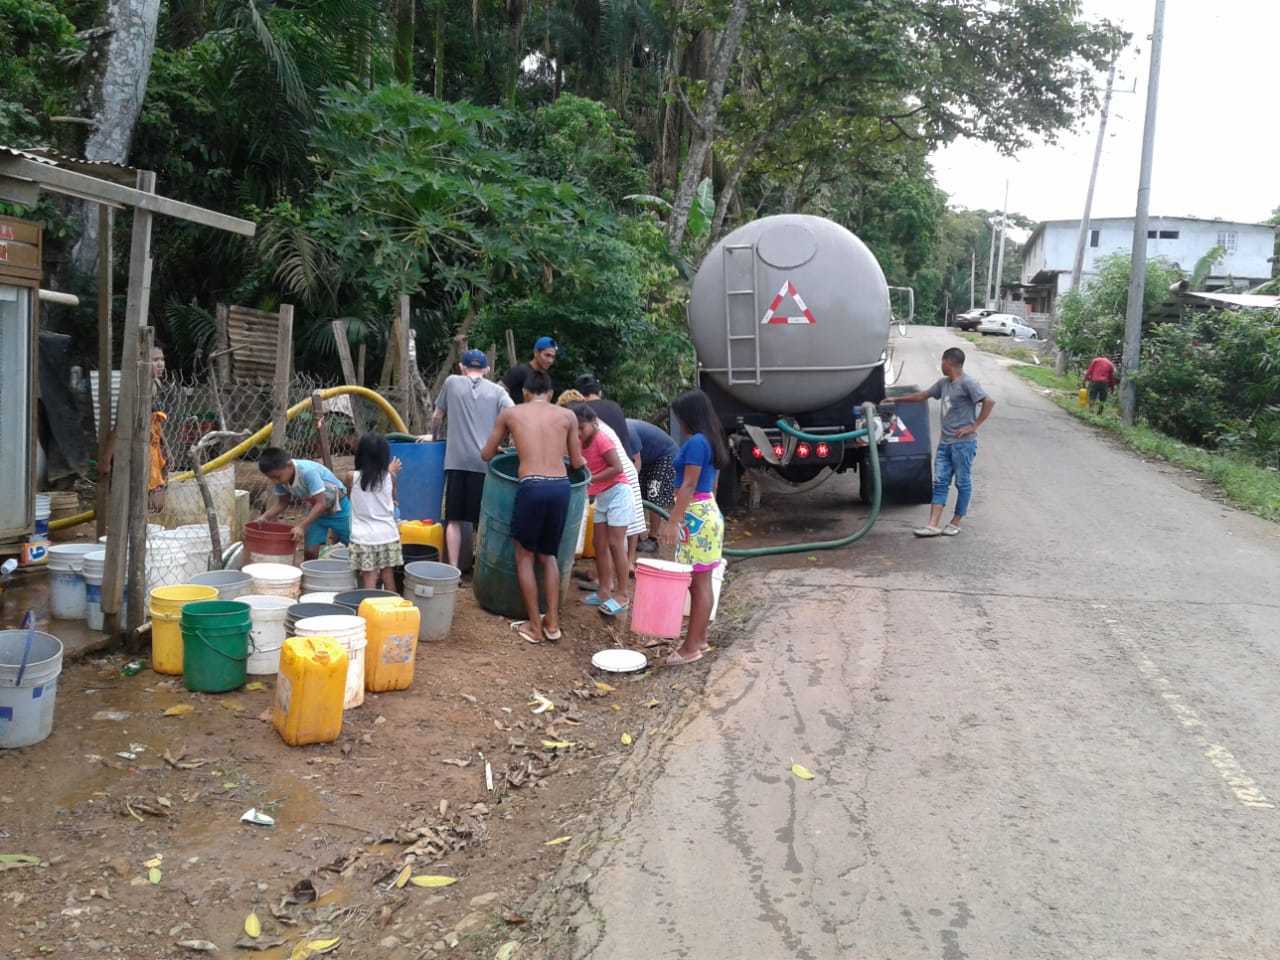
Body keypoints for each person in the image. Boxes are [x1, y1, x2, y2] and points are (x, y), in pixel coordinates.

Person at [481, 370, 585, 643]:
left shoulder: (511, 413)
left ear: (525, 392)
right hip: (561, 488)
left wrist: (506, 450)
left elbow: (486, 454)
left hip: (532, 486)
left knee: (524, 556)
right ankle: (552, 623)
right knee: (548, 555)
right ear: (550, 394)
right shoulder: (568, 416)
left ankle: (534, 628)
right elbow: (576, 463)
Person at [892, 346, 995, 538]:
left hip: (963, 444)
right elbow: (922, 395)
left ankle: (956, 522)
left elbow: (989, 401)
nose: (941, 365)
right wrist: (895, 399)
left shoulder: (968, 383)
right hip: (945, 443)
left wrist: (974, 426)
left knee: (962, 482)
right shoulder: (944, 384)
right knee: (940, 482)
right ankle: (933, 525)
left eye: (942, 361)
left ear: (949, 362)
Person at [425, 349, 513, 567]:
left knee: (453, 520)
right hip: (485, 463)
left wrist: (433, 436)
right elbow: (514, 416)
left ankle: (454, 568)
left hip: (456, 462)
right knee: (483, 520)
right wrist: (501, 443)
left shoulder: (452, 383)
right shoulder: (498, 392)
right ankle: (482, 566)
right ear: (487, 369)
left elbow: (437, 416)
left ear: (461, 367)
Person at [660, 389, 729, 666]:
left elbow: (689, 484)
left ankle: (690, 647)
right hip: (707, 511)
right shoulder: (711, 440)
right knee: (703, 580)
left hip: (694, 517)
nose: (679, 422)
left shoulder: (696, 443)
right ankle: (699, 639)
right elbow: (712, 483)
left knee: (698, 583)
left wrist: (674, 520)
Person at [572, 404, 634, 618]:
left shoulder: (602, 440)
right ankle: (604, 591)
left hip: (619, 493)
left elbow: (617, 468)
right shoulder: (578, 442)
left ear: (594, 423)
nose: (579, 432)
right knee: (599, 544)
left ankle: (623, 594)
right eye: (575, 428)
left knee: (615, 544)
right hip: (602, 497)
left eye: (582, 427)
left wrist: (591, 479)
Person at [99, 344, 172, 513]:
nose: (161, 364)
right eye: (155, 360)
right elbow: (119, 428)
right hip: (132, 453)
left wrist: (166, 448)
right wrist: (105, 461)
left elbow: (156, 422)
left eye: (162, 359)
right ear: (142, 363)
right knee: (135, 504)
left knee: (155, 504)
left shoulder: (156, 385)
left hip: (151, 451)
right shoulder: (134, 391)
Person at [256, 447, 351, 560]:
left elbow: (321, 504)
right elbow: (282, 502)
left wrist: (301, 526)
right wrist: (264, 517)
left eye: (277, 477)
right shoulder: (280, 479)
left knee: (352, 544)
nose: (276, 481)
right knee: (310, 552)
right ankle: (312, 574)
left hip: (339, 508)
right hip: (315, 511)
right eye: (271, 478)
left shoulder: (307, 471)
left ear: (289, 465)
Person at [341, 433, 403, 590]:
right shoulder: (391, 477)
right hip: (388, 534)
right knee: (388, 575)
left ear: (360, 454)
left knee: (369, 577)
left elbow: (352, 498)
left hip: (364, 537)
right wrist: (389, 471)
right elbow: (393, 500)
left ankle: (371, 611)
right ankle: (392, 608)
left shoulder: (350, 477)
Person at [628, 417, 678, 552]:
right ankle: (635, 535)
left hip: (664, 456)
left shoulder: (628, 431)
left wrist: (630, 482)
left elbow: (636, 461)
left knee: (654, 494)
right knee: (637, 495)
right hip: (648, 458)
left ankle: (653, 539)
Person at [574, 375, 637, 460]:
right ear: (600, 393)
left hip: (606, 466)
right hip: (628, 463)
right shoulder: (615, 406)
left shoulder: (582, 412)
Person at [501, 336, 559, 403]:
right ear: (536, 352)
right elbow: (498, 390)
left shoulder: (545, 377)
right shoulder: (520, 371)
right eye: (547, 355)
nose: (550, 360)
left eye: (553, 357)